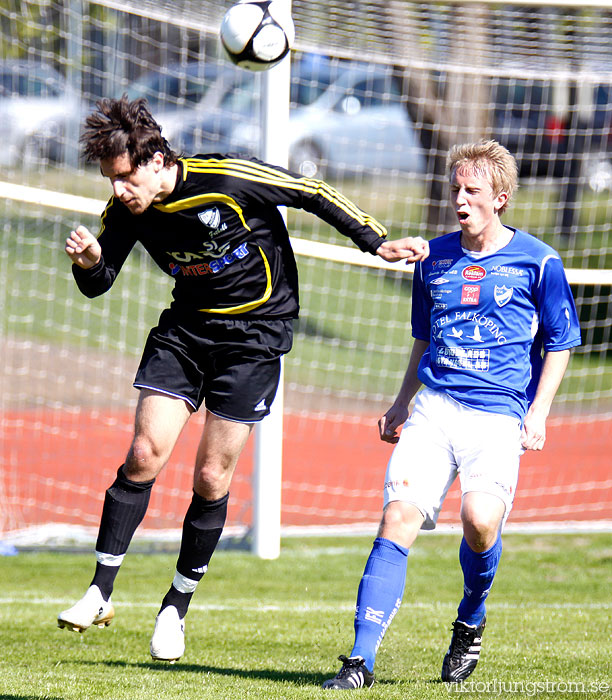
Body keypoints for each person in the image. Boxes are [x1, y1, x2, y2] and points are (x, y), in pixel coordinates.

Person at [56, 95, 429, 662]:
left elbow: (312, 192)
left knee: (210, 476)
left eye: (124, 177)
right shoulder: (130, 210)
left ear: (156, 160)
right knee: (143, 455)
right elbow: (99, 280)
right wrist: (88, 264)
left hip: (255, 337)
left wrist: (375, 240)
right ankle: (99, 591)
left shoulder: (227, 177)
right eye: (110, 180)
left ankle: (176, 605)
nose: (117, 191)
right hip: (186, 332)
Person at [322, 139, 581, 689]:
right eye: (456, 189)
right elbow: (423, 336)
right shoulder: (433, 258)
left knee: (481, 523)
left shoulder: (539, 261)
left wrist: (539, 413)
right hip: (435, 409)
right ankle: (359, 662)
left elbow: (560, 342)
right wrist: (400, 401)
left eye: (473, 191)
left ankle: (471, 617)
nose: (461, 200)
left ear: (501, 198)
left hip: (498, 418)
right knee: (397, 519)